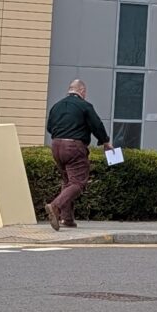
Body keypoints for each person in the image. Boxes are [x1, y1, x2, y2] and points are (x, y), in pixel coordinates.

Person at [44, 79, 110, 230]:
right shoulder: (85, 106)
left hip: (56, 146)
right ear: (82, 91)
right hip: (74, 147)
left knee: (67, 181)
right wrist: (105, 141)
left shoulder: (56, 106)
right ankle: (55, 206)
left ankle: (67, 219)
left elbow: (50, 127)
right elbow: (96, 124)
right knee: (77, 183)